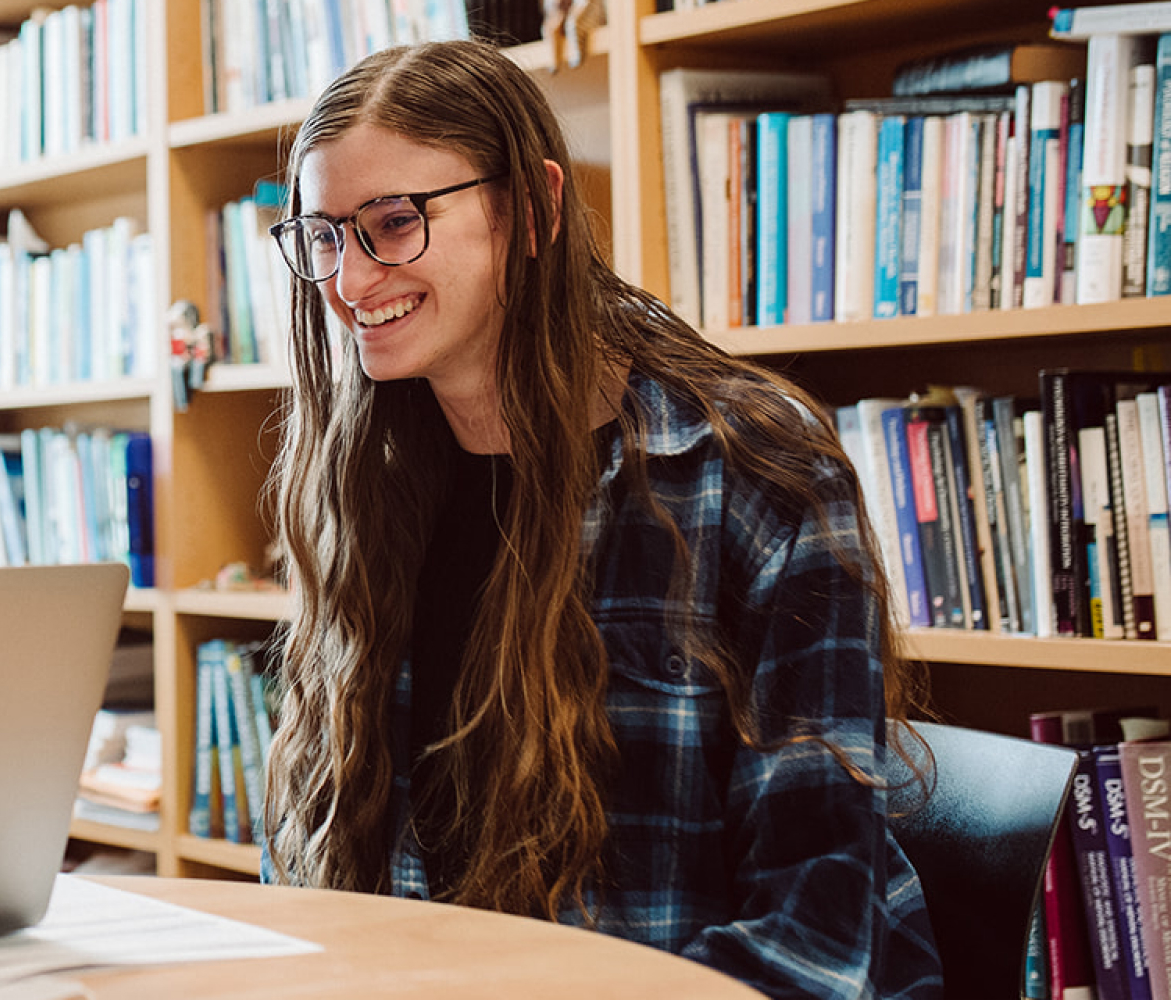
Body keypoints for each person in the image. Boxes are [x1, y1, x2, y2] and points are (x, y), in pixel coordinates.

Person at [256, 40, 940, 998]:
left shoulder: (751, 470)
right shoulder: (364, 476)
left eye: (393, 223)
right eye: (324, 235)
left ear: (531, 207)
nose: (350, 281)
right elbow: (312, 858)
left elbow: (816, 933)